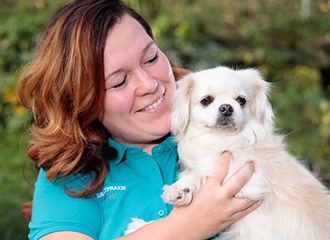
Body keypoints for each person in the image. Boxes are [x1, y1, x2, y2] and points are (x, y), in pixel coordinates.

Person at [18, 0, 262, 239]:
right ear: (84, 102)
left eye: (151, 58)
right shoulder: (73, 176)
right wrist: (189, 225)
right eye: (119, 82)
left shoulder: (225, 127)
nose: (149, 84)